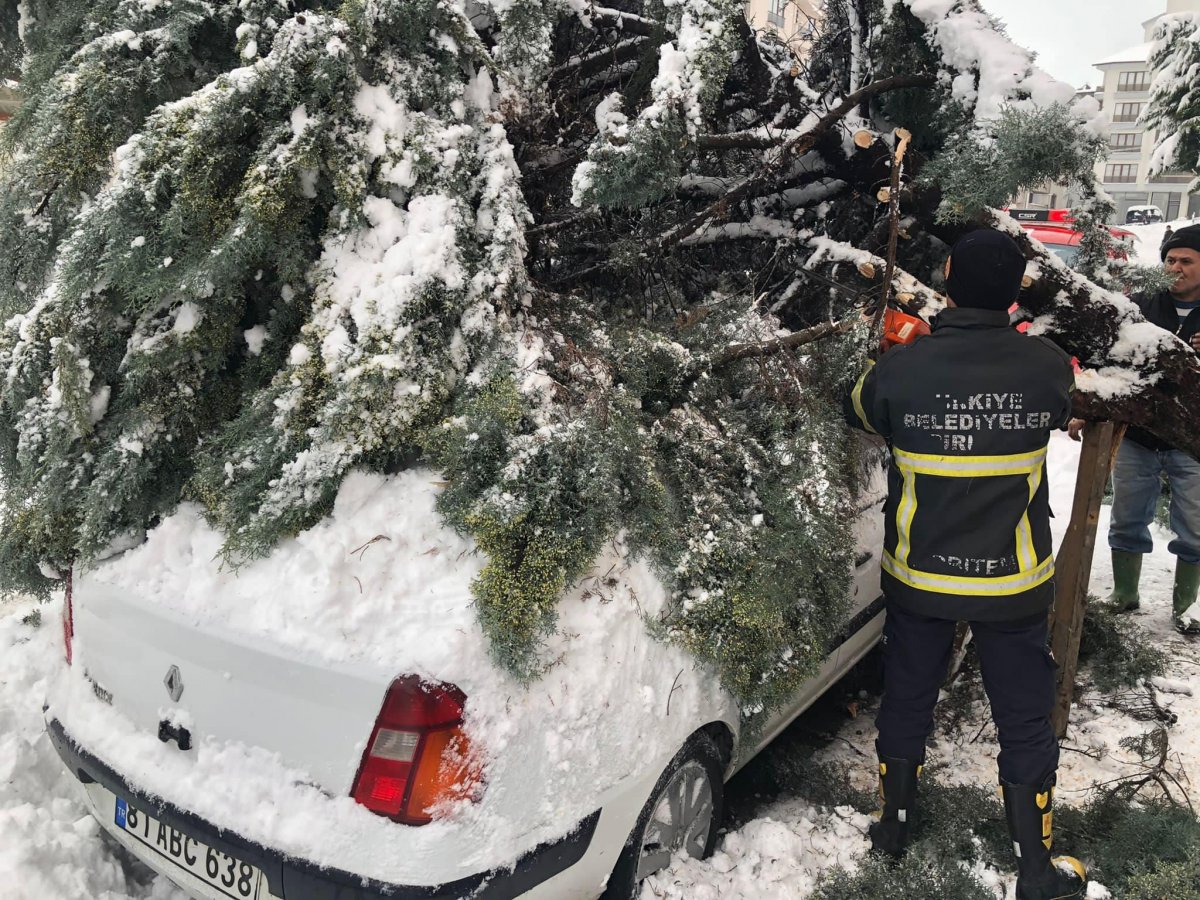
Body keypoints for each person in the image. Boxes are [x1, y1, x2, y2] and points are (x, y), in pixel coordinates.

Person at [846, 230, 1085, 900]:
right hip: (1013, 583)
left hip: (920, 576)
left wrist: (896, 352)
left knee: (909, 695)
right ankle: (1035, 869)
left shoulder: (903, 368)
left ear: (946, 279)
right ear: (1016, 292)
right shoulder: (1045, 365)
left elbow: (859, 409)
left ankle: (892, 826)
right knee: (1024, 715)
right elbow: (1064, 405)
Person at [1070, 224, 1200, 634]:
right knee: (1127, 517)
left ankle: (1187, 606)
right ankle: (1125, 594)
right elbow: (1115, 361)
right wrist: (1090, 407)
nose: (1175, 267)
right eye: (1170, 259)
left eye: (1186, 261)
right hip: (1137, 435)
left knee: (1196, 526)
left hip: (1192, 442)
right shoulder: (1141, 305)